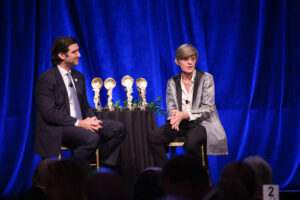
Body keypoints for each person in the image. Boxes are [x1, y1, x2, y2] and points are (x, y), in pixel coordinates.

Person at [35, 36, 126, 166]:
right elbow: (49, 113)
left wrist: (92, 119)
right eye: (74, 52)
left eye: (78, 50)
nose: (79, 54)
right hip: (59, 127)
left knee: (117, 128)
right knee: (92, 138)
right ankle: (69, 170)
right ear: (61, 55)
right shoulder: (46, 79)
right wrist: (78, 123)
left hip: (80, 123)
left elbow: (84, 105)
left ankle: (103, 165)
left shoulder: (78, 77)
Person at [148, 43, 227, 168]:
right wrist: (173, 118)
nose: (190, 62)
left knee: (191, 143)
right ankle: (167, 174)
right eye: (185, 59)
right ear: (177, 61)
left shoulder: (206, 79)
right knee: (154, 137)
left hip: (201, 123)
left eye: (193, 59)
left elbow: (208, 109)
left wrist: (184, 115)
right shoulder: (172, 82)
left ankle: (196, 179)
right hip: (179, 123)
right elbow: (171, 105)